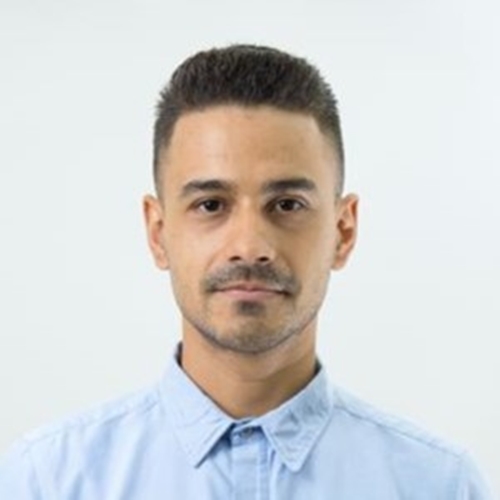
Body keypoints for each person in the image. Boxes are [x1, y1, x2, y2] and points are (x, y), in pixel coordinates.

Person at [0, 44, 495, 499]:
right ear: (158, 232)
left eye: (287, 204)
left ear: (343, 232)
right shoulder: (48, 481)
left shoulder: (438, 486)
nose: (250, 247)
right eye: (211, 204)